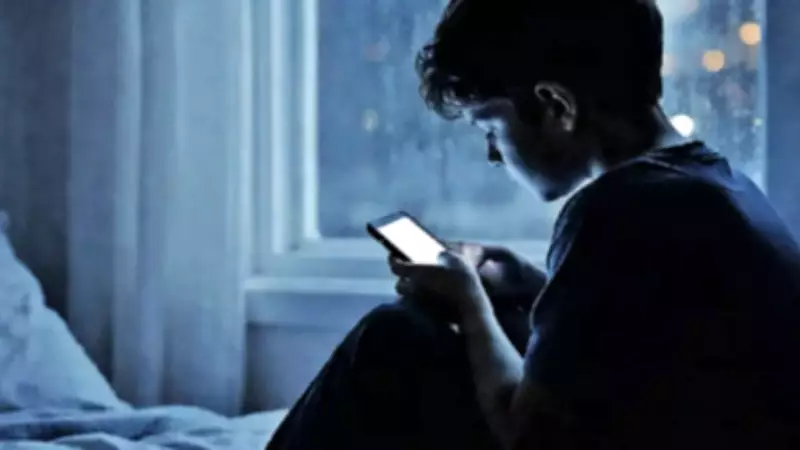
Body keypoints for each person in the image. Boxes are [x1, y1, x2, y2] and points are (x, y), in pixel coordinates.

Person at [267, 1, 800, 449]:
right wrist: (532, 285)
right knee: (504, 315)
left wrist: (469, 302)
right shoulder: (712, 182)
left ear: (554, 106)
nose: (493, 155)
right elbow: (646, 343)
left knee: (393, 336)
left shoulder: (618, 209)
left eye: (490, 128)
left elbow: (532, 439)